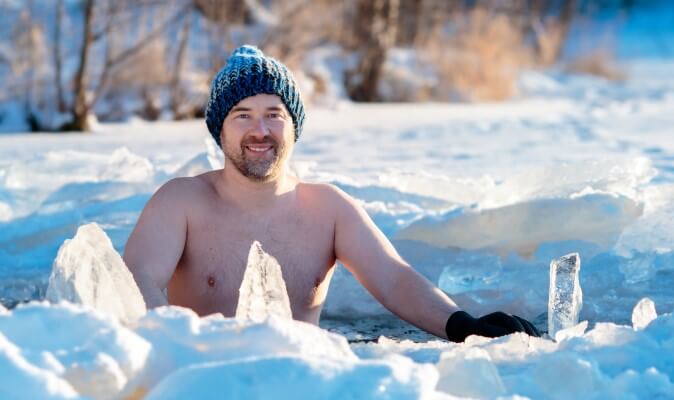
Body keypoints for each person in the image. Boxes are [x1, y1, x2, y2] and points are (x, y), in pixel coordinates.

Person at [123, 46, 539, 342]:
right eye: (242, 115)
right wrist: (180, 349)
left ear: (293, 126)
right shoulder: (180, 203)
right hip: (207, 385)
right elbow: (135, 281)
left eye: (274, 115)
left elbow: (393, 280)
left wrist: (462, 325)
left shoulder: (329, 209)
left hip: (305, 390)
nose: (260, 131)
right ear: (220, 129)